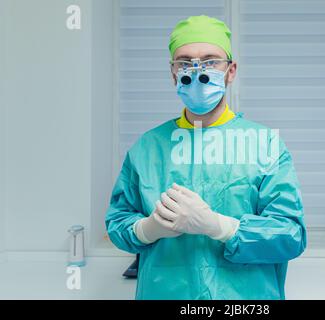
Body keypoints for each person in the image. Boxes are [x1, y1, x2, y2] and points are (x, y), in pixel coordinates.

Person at [105, 15, 307, 300]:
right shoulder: (148, 148)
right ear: (173, 72)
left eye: (211, 61)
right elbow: (118, 224)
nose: (196, 70)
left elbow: (291, 235)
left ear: (231, 71)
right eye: (184, 62)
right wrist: (148, 229)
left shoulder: (265, 145)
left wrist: (220, 226)